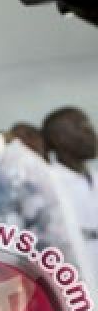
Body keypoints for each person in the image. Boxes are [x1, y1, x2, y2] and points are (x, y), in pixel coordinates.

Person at [43, 106, 98, 277]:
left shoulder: (95, 177)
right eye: (83, 127)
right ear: (59, 138)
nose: (92, 134)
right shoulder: (48, 182)